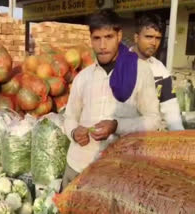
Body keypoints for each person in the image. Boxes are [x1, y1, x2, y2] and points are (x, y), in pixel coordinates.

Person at [62, 10, 161, 190]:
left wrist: (117, 125)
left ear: (119, 36)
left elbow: (153, 120)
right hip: (78, 165)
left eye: (108, 37)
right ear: (91, 39)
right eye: (97, 38)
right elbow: (69, 117)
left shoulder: (140, 71)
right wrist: (74, 132)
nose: (102, 45)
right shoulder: (83, 77)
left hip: (117, 172)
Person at [131, 14, 184, 130]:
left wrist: (180, 137)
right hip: (120, 134)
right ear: (136, 37)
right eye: (149, 37)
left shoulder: (160, 70)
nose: (153, 43)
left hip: (149, 137)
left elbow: (171, 110)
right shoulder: (119, 65)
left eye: (158, 38)